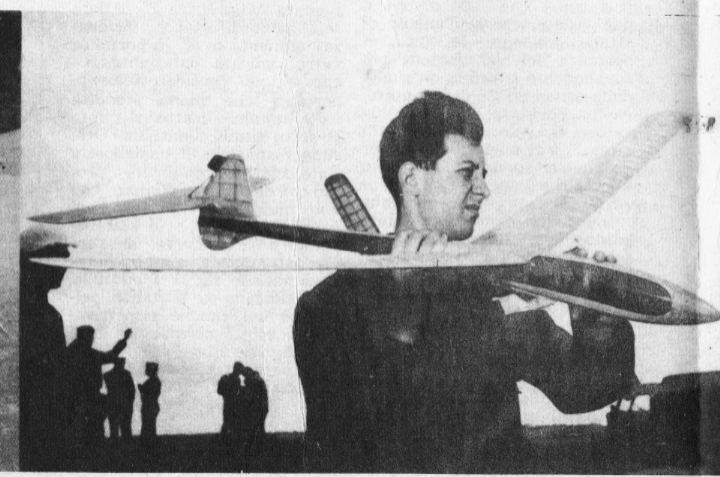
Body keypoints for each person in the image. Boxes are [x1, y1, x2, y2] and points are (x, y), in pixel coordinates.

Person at [293, 91, 637, 472]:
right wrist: (404, 322)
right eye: (466, 172)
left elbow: (581, 388)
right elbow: (342, 457)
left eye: (483, 175)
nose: (484, 189)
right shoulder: (326, 308)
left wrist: (599, 327)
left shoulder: (482, 284)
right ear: (412, 179)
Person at [19, 226, 73, 470]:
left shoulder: (51, 315)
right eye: (58, 254)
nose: (66, 262)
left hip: (47, 420)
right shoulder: (20, 311)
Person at [65, 325, 132, 449]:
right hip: (79, 396)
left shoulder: (85, 353)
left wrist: (124, 340)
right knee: (81, 427)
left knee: (94, 426)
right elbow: (111, 355)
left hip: (89, 395)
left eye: (92, 337)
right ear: (83, 338)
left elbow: (111, 355)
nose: (92, 340)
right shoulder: (75, 354)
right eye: (89, 337)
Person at [104, 357, 135, 442]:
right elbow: (132, 390)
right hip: (123, 403)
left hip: (115, 403)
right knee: (124, 428)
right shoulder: (126, 374)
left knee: (116, 427)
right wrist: (130, 402)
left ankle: (117, 444)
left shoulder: (108, 375)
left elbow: (132, 390)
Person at [243, 366, 269, 469]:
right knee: (259, 428)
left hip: (258, 409)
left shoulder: (254, 381)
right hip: (262, 408)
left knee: (254, 429)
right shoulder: (258, 379)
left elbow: (250, 397)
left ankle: (255, 450)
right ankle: (260, 448)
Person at [217, 361, 247, 437]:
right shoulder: (228, 378)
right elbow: (220, 391)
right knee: (228, 423)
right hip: (230, 405)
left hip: (233, 405)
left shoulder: (234, 379)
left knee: (231, 424)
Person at [138, 361, 161, 440]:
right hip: (152, 405)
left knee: (147, 425)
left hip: (149, 405)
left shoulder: (152, 381)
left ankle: (148, 442)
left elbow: (150, 394)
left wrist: (141, 389)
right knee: (150, 425)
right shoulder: (155, 381)